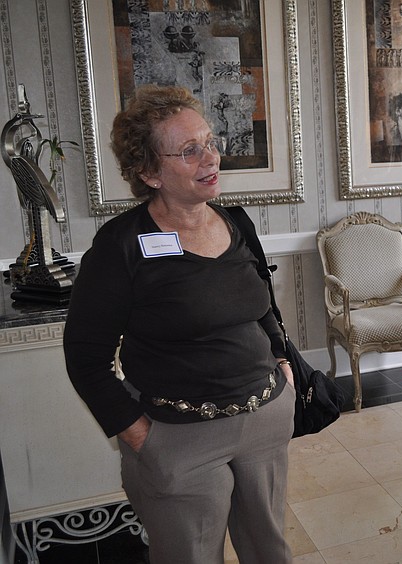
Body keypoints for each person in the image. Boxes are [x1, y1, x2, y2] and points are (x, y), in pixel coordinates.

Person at [63, 85, 295, 564]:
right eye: (189, 151)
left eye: (209, 142)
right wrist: (142, 437)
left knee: (270, 551)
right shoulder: (121, 245)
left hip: (264, 418)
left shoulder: (235, 223)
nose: (210, 159)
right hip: (179, 432)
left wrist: (281, 361)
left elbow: (262, 304)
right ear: (149, 172)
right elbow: (86, 357)